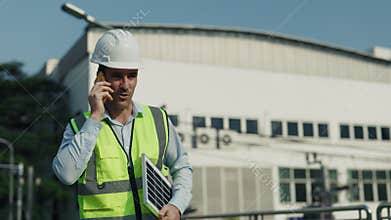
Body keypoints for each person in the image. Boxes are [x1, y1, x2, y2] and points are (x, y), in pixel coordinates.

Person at [52, 29, 192, 220]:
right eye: (117, 76)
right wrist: (95, 118)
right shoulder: (80, 126)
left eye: (132, 75)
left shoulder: (158, 120)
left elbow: (182, 167)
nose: (126, 85)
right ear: (101, 78)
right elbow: (66, 174)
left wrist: (176, 205)